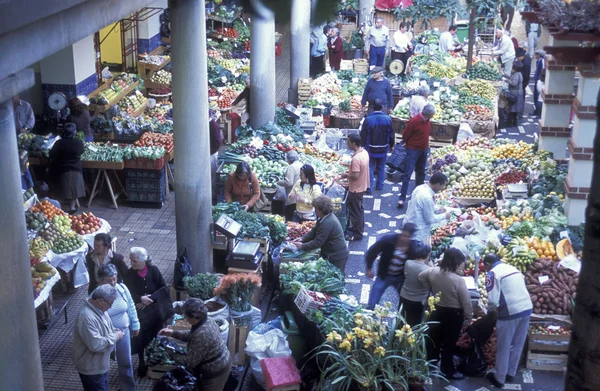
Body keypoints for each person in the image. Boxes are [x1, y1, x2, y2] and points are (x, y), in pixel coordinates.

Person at [418, 248, 473, 380]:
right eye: (460, 263)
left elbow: (421, 277)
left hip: (436, 310)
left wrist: (430, 289)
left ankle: (431, 363)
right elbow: (466, 302)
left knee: (434, 339)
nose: (461, 265)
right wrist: (468, 317)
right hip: (453, 315)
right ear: (455, 263)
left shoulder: (433, 271)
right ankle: (447, 370)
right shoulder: (458, 280)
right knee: (449, 343)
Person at [482, 254, 533, 388]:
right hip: (527, 308)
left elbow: (493, 300)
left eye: (485, 267)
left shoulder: (492, 273)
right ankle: (510, 373)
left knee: (503, 346)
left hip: (510, 312)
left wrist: (490, 312)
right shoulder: (513, 268)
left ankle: (499, 378)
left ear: (487, 264)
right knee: (518, 343)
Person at [159, 299, 232, 391]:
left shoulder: (202, 334)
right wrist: (172, 333)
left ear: (194, 317)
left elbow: (190, 362)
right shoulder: (206, 320)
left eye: (186, 315)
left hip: (215, 371)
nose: (185, 318)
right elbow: (192, 335)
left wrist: (171, 353)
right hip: (222, 361)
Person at [124, 247, 173, 377]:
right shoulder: (129, 274)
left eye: (134, 261)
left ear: (143, 260)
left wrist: (151, 298)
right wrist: (140, 298)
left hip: (154, 313)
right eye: (131, 260)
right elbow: (127, 293)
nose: (132, 263)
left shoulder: (154, 271)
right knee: (140, 339)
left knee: (155, 336)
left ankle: (153, 361)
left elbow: (163, 287)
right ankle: (141, 362)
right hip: (140, 314)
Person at [97, 264, 140, 391]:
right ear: (100, 281)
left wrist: (135, 324)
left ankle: (128, 388)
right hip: (106, 335)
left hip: (124, 332)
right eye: (108, 280)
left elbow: (131, 305)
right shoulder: (96, 296)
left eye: (114, 279)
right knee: (101, 365)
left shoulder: (122, 288)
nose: (113, 283)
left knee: (126, 363)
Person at [74, 284, 124, 391]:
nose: (111, 307)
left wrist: (113, 330)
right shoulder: (87, 317)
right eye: (110, 303)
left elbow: (102, 328)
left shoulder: (99, 310)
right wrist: (116, 336)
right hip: (91, 368)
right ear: (101, 300)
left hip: (99, 365)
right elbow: (96, 345)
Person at [364, 223, 420, 310]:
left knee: (405, 303)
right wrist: (369, 268)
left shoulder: (413, 247)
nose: (404, 239)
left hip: (400, 278)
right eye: (403, 235)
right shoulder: (388, 240)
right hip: (384, 275)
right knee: (372, 303)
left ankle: (401, 322)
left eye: (407, 237)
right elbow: (372, 252)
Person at [292, 195, 349, 272]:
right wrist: (302, 238)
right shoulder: (322, 218)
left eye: (316, 209)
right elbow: (313, 231)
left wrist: (302, 246)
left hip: (337, 256)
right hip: (331, 253)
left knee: (336, 278)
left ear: (322, 210)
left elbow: (318, 242)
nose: (315, 210)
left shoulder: (327, 222)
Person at [397, 104, 436, 209]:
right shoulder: (414, 121)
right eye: (432, 114)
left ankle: (418, 196)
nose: (433, 116)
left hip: (424, 150)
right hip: (413, 150)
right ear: (429, 114)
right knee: (407, 174)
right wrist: (406, 144)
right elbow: (406, 135)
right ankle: (402, 198)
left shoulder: (427, 121)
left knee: (421, 173)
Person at [404, 172, 450, 243]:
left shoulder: (419, 188)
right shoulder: (427, 197)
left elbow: (422, 206)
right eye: (443, 186)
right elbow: (430, 219)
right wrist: (445, 215)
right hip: (417, 233)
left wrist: (438, 208)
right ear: (437, 185)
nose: (443, 188)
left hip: (409, 225)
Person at [49, 122, 85, 214]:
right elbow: (81, 152)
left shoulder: (59, 143)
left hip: (61, 170)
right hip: (76, 169)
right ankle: (72, 207)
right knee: (74, 191)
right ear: (74, 132)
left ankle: (60, 208)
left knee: (60, 191)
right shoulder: (79, 143)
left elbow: (51, 154)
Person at [360, 99, 394, 192]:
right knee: (381, 167)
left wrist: (362, 146)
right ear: (382, 107)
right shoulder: (387, 119)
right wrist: (391, 145)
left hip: (370, 148)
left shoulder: (368, 119)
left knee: (370, 167)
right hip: (383, 148)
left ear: (372, 107)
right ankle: (380, 186)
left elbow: (363, 134)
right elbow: (391, 134)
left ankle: (369, 187)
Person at [340, 133, 369, 241]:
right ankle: (358, 228)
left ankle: (357, 234)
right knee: (359, 210)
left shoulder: (356, 158)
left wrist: (346, 174)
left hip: (356, 188)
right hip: (362, 186)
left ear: (353, 143)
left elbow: (355, 175)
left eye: (348, 142)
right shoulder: (364, 152)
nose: (347, 144)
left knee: (355, 212)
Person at [400, 242, 433, 326]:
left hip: (404, 296)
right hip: (418, 300)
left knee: (401, 320)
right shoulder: (428, 269)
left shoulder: (408, 263)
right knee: (414, 324)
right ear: (428, 255)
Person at [278, 150, 303, 220]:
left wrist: (279, 182)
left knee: (290, 219)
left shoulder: (291, 167)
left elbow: (288, 183)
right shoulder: (302, 165)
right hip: (301, 197)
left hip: (292, 199)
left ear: (289, 159)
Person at [504, 61, 524, 127]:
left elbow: (514, 83)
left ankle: (510, 123)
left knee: (512, 109)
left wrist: (505, 80)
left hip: (515, 93)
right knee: (514, 109)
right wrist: (504, 75)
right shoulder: (519, 73)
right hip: (518, 93)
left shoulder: (516, 75)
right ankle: (514, 122)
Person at [210, 109, 223, 205]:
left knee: (213, 174)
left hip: (211, 154)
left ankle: (213, 195)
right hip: (207, 153)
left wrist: (210, 152)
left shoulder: (213, 125)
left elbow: (217, 142)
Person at [531, 50, 546, 116]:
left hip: (539, 80)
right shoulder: (538, 61)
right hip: (537, 80)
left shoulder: (542, 61)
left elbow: (543, 70)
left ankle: (538, 111)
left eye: (536, 54)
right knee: (535, 96)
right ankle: (536, 110)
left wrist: (541, 79)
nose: (535, 56)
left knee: (538, 96)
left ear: (539, 55)